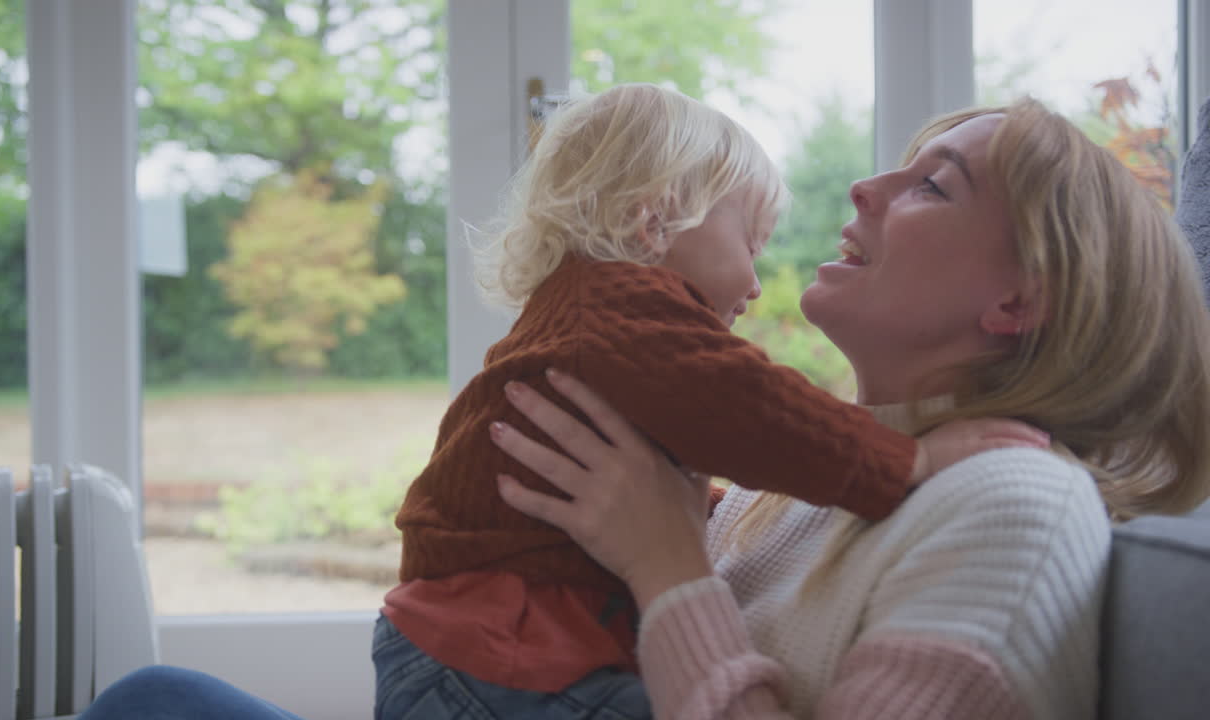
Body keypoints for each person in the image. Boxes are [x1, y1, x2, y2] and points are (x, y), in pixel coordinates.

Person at [484, 96, 1210, 720]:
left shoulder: (1020, 502)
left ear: (1021, 299)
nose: (864, 186)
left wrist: (667, 567)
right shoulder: (778, 494)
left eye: (932, 186)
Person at [375, 82, 1045, 719]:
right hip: (493, 657)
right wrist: (908, 462)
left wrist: (681, 527)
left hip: (455, 652)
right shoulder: (628, 309)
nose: (755, 286)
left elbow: (675, 471)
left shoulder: (585, 314)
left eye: (933, 186)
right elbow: (752, 406)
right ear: (654, 219)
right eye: (751, 243)